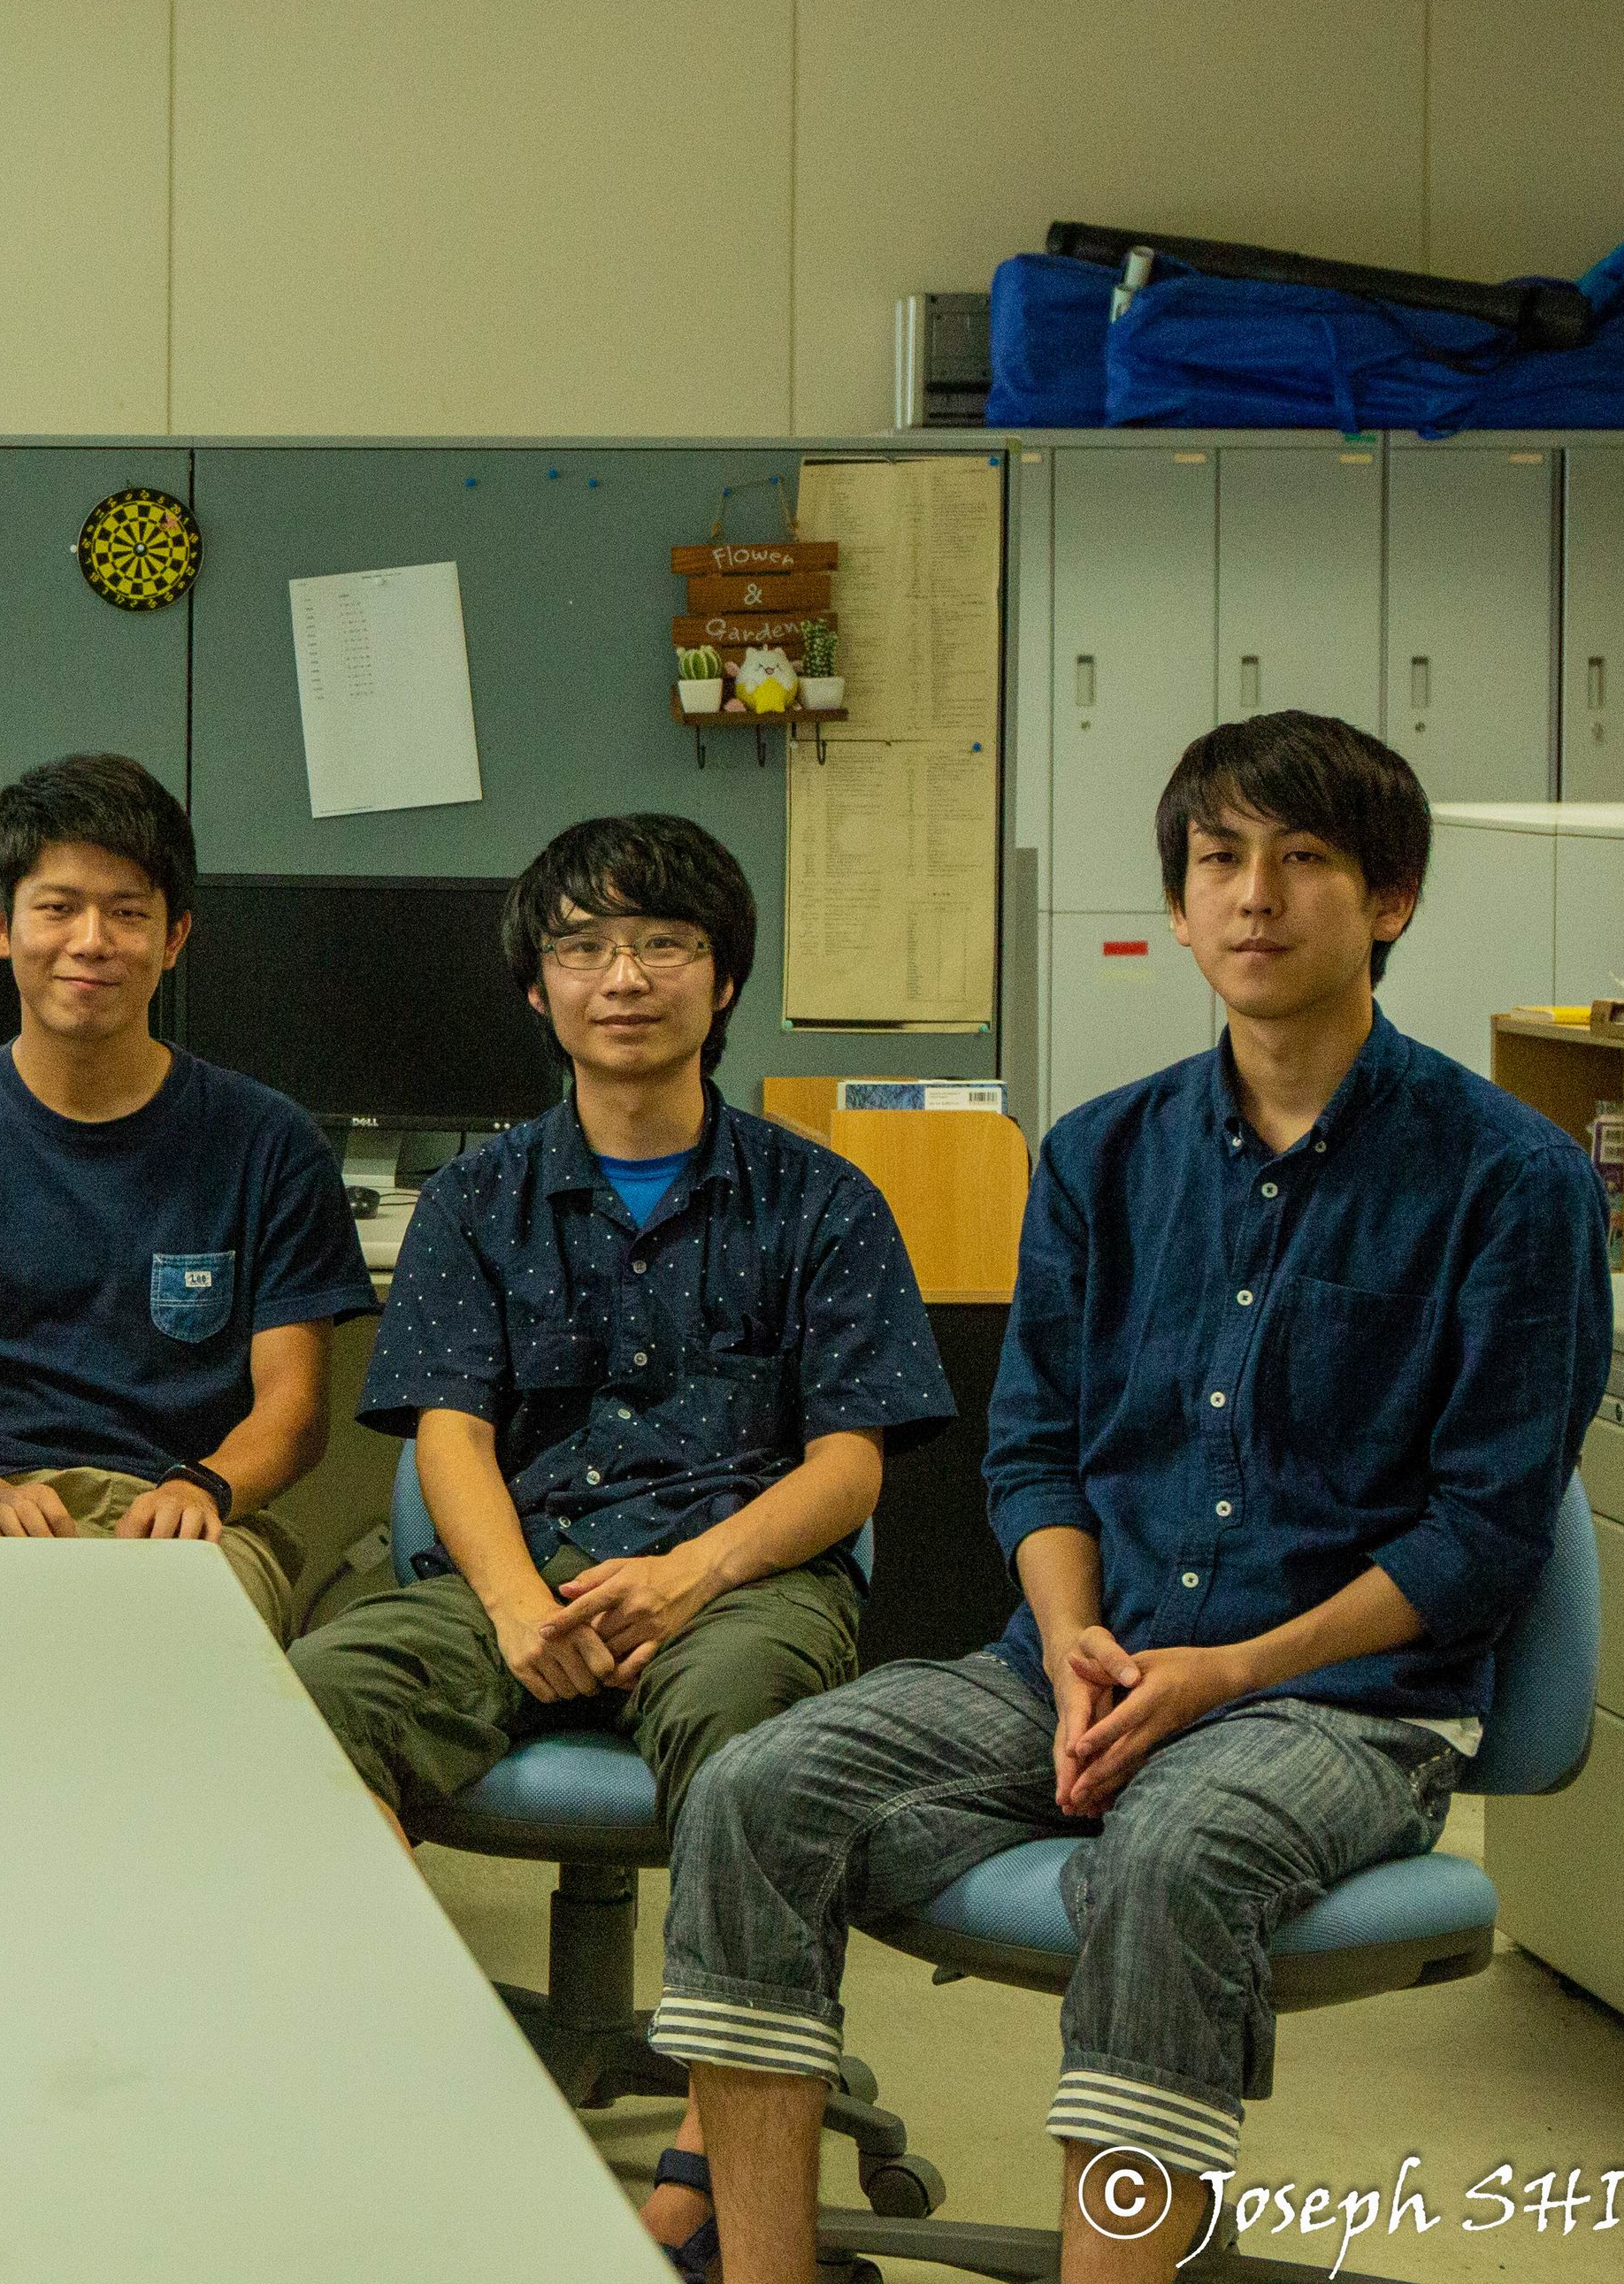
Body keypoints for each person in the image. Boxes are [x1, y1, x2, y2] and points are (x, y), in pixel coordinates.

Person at [655, 715, 1610, 2284]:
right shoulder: (1100, 1155)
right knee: (759, 1787)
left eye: (1305, 858)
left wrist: (1225, 1675)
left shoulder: (1510, 1179)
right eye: (1220, 859)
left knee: (1173, 1853)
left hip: (1344, 1701)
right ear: (1178, 904)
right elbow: (1034, 1451)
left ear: (1391, 899)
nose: (1255, 894)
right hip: (1080, 1662)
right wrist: (1072, 1638)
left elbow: (1483, 1533)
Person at [287, 810, 950, 2268]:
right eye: (584, 947)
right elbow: (450, 1434)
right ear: (538, 988)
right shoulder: (477, 1201)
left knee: (751, 1743)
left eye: (664, 942)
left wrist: (693, 1573)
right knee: (309, 1706)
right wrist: (519, 1605)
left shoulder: (823, 1201)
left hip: (744, 1577)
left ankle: (708, 2177)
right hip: (524, 1569)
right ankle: (427, 2119)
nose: (625, 976)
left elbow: (850, 1464)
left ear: (725, 978)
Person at [0, 754, 372, 1631]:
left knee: (184, 1651)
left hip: (184, 1519)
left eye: (128, 913)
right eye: (58, 908)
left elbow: (295, 1409)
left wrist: (206, 1487)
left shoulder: (269, 1144)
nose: (92, 941)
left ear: (174, 939)